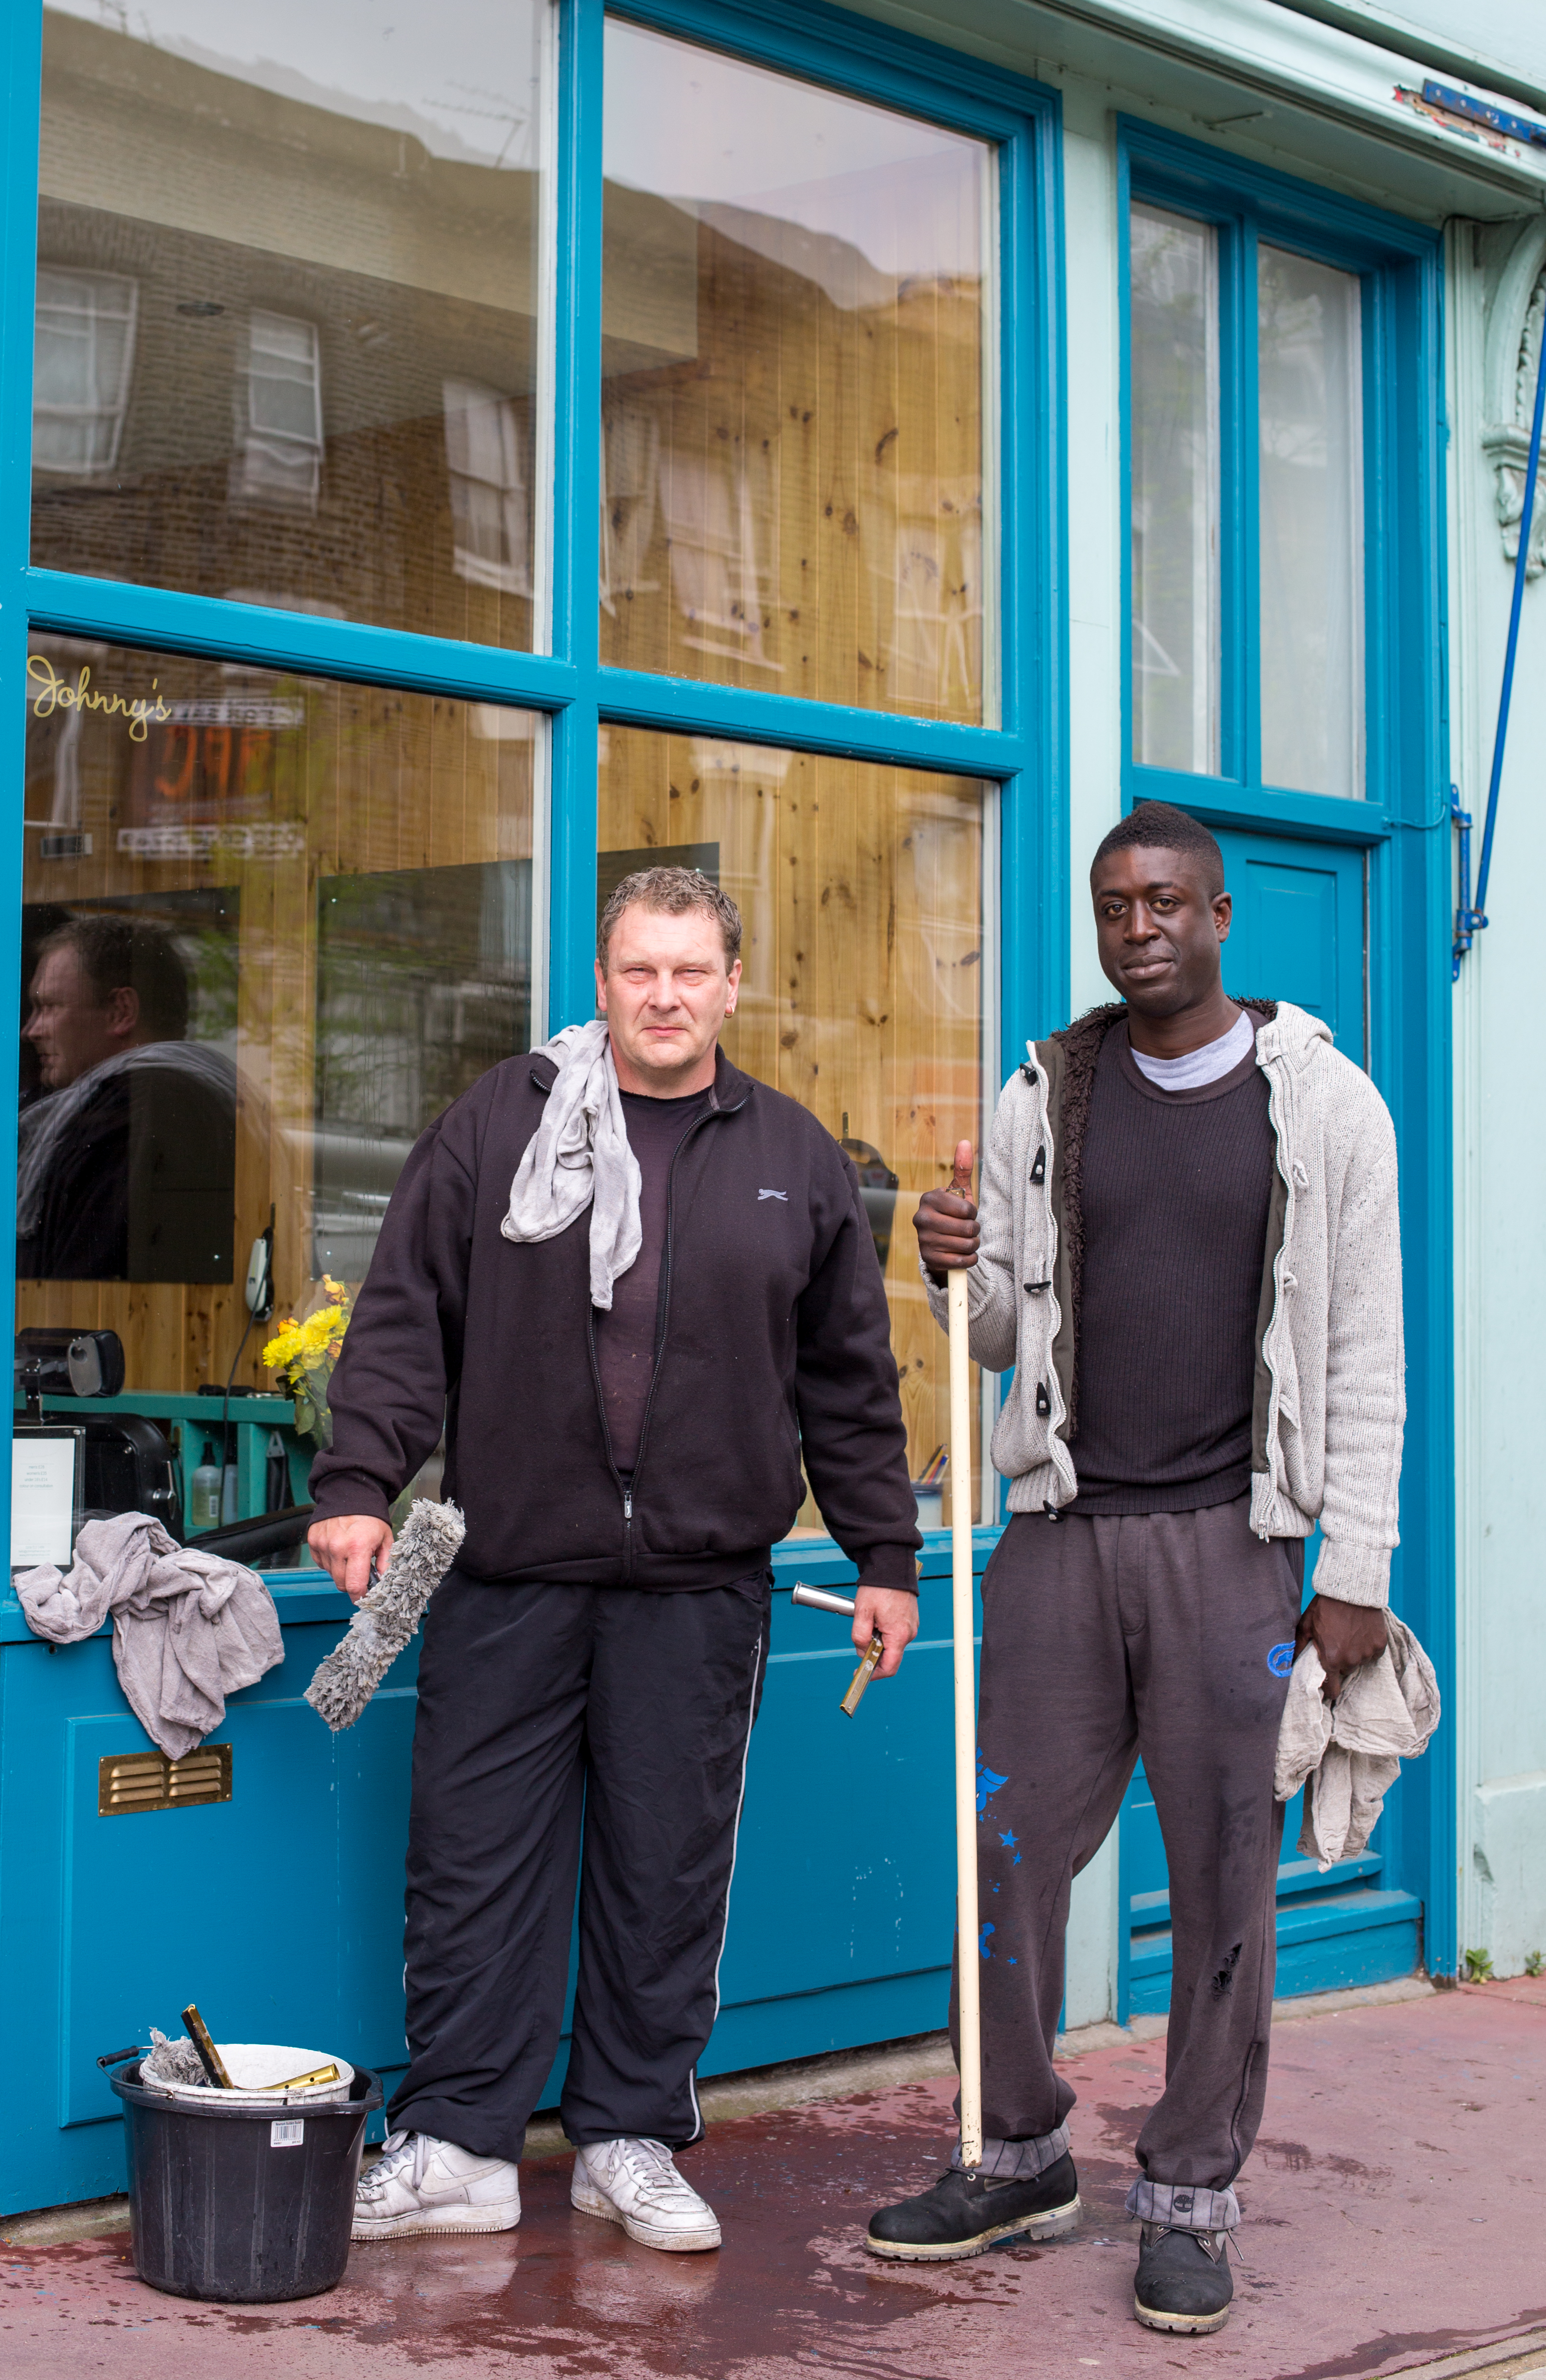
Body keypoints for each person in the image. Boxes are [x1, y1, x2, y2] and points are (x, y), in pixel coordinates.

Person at [307, 864, 922, 2253]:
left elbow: (848, 1380)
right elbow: (405, 1316)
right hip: (510, 1573)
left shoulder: (791, 1154)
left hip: (700, 1589)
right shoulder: (499, 1123)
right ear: (601, 980)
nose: (664, 996)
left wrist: (884, 1553)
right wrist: (355, 1484)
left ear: (732, 986)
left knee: (666, 1873)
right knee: (472, 1865)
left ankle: (627, 2138)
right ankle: (458, 2148)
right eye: (640, 970)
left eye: (691, 971)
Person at [865, 800, 1403, 2336]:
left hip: (1236, 1541)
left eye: (1168, 900)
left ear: (1221, 915)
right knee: (1004, 1847)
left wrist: (1355, 1564)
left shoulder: (1328, 1105)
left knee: (1227, 1872)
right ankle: (1015, 2152)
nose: (1140, 926)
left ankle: (1190, 2195)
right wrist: (951, 1264)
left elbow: (1365, 1348)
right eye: (1116, 904)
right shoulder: (1047, 1092)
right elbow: (999, 1340)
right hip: (1062, 1530)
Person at [16, 913, 236, 1283]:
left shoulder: (148, 1107)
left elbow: (87, 1285)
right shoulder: (176, 1098)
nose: (31, 1031)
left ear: (121, 1012)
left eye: (49, 1007)